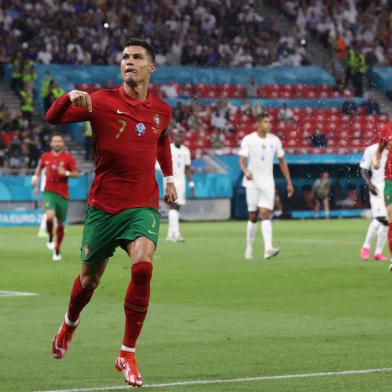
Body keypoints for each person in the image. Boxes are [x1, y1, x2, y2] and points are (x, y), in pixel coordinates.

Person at [44, 38, 176, 387]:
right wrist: (68, 97)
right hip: (103, 206)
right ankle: (69, 324)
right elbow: (51, 117)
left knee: (144, 266)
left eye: (137, 58)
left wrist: (171, 177)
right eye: (125, 57)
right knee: (89, 281)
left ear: (151, 67)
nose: (129, 62)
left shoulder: (162, 110)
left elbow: (161, 139)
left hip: (142, 203)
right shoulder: (100, 101)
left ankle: (127, 353)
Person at [239, 112, 294, 260]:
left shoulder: (275, 141)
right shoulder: (248, 139)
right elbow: (242, 160)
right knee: (252, 216)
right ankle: (249, 248)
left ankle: (268, 248)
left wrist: (289, 182)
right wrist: (245, 171)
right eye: (265, 122)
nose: (268, 124)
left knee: (265, 214)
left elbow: (282, 161)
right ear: (258, 124)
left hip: (268, 183)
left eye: (269, 122)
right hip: (252, 183)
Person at [32, 133, 80, 260]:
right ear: (51, 143)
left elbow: (77, 174)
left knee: (61, 224)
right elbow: (39, 167)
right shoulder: (45, 156)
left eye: (59, 141)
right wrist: (35, 177)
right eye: (55, 141)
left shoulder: (68, 158)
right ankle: (50, 236)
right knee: (49, 216)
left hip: (63, 194)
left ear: (62, 144)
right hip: (49, 192)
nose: (57, 143)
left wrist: (67, 173)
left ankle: (57, 248)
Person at [359, 143, 388, 261]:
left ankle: (378, 252)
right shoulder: (371, 149)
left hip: (389, 187)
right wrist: (369, 184)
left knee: (388, 220)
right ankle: (366, 247)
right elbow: (363, 169)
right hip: (377, 188)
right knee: (380, 217)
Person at [166, 129, 195, 242]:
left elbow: (187, 169)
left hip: (181, 181)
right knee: (173, 204)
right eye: (177, 136)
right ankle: (176, 234)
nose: (178, 138)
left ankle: (170, 235)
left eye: (180, 136)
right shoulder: (169, 148)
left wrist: (191, 183)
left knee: (177, 207)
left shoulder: (186, 151)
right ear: (173, 137)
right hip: (170, 180)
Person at [374, 123, 392, 268]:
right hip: (390, 179)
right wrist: (376, 161)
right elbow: (379, 151)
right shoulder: (387, 129)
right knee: (391, 216)